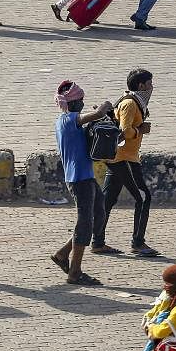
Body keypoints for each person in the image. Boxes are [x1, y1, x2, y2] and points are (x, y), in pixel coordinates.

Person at [50, 80, 114, 285]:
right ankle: (75, 271)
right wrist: (105, 106)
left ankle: (63, 254)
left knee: (97, 214)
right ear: (73, 103)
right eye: (80, 101)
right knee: (85, 221)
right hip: (79, 178)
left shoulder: (64, 120)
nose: (83, 104)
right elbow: (95, 115)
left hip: (84, 176)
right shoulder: (69, 119)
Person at [95, 68, 158, 257]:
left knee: (107, 200)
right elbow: (124, 131)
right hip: (123, 158)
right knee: (143, 197)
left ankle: (97, 242)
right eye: (149, 84)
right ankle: (138, 243)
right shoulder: (130, 104)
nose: (152, 87)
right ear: (140, 85)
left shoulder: (132, 101)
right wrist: (140, 130)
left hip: (118, 157)